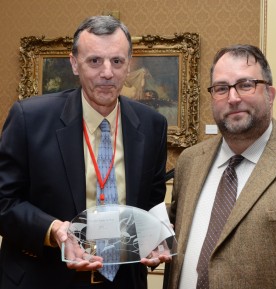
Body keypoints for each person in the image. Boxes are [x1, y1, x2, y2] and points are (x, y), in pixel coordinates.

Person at [0, 15, 169, 289]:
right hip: (46, 279)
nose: (107, 72)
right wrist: (53, 229)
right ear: (74, 64)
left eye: (117, 61)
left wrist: (154, 238)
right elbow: (4, 201)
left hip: (124, 282)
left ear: (129, 66)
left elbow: (151, 202)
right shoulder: (29, 119)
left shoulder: (152, 126)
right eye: (94, 61)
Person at [164, 44, 276, 289]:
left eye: (246, 85)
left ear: (270, 94)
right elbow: (173, 232)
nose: (233, 98)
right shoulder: (190, 161)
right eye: (222, 88)